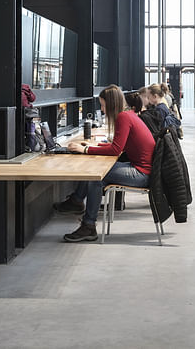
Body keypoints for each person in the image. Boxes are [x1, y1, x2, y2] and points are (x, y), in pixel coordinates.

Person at [53, 84, 155, 242]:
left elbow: (115, 150)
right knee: (96, 172)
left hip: (142, 173)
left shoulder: (124, 117)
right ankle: (78, 204)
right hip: (141, 168)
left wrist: (86, 150)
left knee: (97, 177)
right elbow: (119, 147)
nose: (101, 109)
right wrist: (94, 146)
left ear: (111, 104)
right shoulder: (129, 114)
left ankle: (87, 223)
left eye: (102, 105)